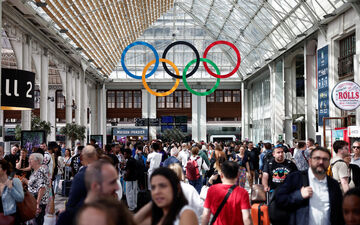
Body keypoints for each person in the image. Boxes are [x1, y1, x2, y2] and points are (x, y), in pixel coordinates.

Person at [276, 147, 344, 225]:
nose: (321, 162)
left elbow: (339, 213)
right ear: (310, 161)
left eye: (325, 159)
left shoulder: (333, 185)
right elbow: (279, 200)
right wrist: (299, 195)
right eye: (317, 158)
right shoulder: (295, 178)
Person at [58, 159, 119, 225]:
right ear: (95, 186)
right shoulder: (69, 217)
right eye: (112, 182)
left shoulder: (117, 213)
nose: (117, 187)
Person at [201, 161, 252, 225]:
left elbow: (206, 214)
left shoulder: (212, 190)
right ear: (238, 175)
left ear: (221, 175)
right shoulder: (243, 193)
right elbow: (246, 217)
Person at [23, 153, 50, 225]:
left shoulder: (41, 171)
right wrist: (25, 181)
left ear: (37, 161)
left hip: (37, 202)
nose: (29, 161)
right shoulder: (36, 171)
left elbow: (42, 188)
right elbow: (34, 185)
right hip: (33, 201)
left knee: (37, 222)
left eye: (30, 159)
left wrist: (37, 204)